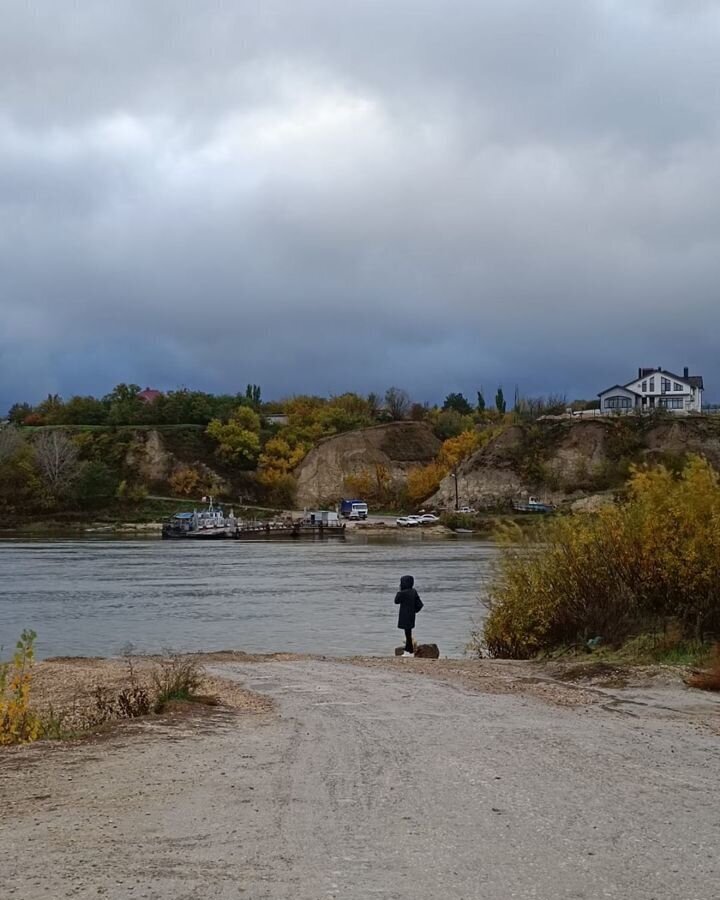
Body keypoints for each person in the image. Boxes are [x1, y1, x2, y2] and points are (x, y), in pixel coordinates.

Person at [394, 575, 423, 656]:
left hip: (404, 615)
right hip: (411, 615)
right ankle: (408, 648)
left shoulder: (403, 593)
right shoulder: (413, 591)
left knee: (407, 633)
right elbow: (420, 604)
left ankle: (409, 650)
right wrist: (414, 611)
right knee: (408, 632)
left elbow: (396, 601)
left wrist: (399, 591)